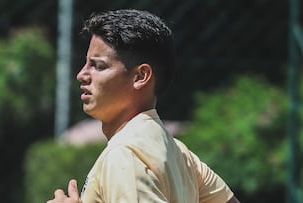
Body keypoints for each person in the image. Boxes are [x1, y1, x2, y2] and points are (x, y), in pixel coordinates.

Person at [48, 9, 240, 203]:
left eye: (98, 66)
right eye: (86, 64)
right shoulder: (178, 152)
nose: (82, 75)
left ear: (141, 76)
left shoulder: (126, 155)